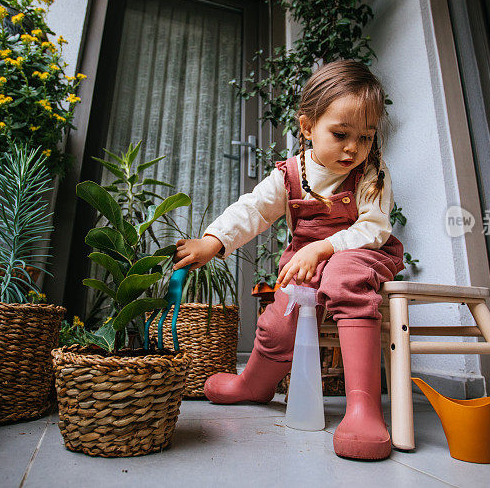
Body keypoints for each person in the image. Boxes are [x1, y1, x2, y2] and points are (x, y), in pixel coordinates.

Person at [172, 59, 405, 460]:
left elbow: (375, 227)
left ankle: (363, 408)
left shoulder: (371, 174)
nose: (354, 148)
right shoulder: (290, 175)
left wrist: (324, 247)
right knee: (280, 320)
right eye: (341, 134)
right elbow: (253, 210)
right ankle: (253, 384)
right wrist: (213, 241)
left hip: (362, 254)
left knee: (343, 277)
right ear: (307, 126)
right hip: (307, 261)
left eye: (366, 137)